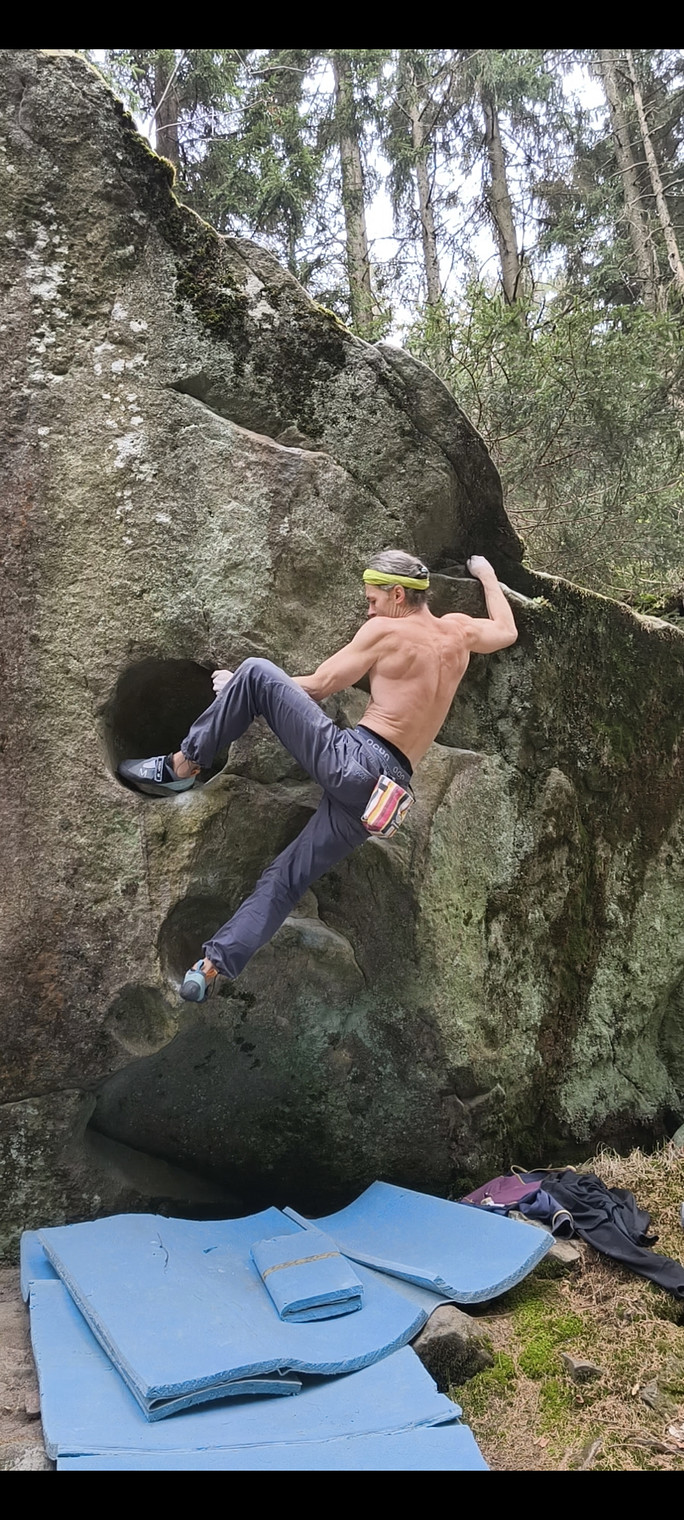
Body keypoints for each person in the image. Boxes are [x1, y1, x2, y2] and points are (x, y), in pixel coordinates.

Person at [119, 551, 518, 1000]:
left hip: (356, 761)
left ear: (398, 594)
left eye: (372, 600)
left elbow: (321, 684)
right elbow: (506, 630)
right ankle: (209, 969)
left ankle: (181, 766)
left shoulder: (387, 631)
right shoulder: (459, 633)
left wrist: (238, 686)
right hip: (384, 798)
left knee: (255, 672)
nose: (369, 611)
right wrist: (487, 573)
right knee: (287, 879)